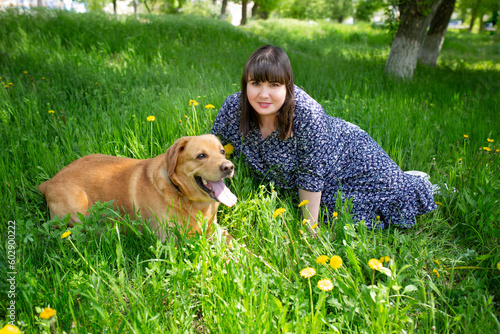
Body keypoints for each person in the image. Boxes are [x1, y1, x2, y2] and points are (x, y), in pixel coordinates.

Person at [211, 45, 437, 230]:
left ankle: (419, 182)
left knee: (346, 209)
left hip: (348, 156)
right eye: (255, 84)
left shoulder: (308, 114)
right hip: (314, 173)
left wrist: (310, 230)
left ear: (288, 87)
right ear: (245, 83)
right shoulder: (234, 107)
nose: (263, 94)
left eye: (274, 85)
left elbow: (310, 176)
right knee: (320, 204)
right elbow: (210, 147)